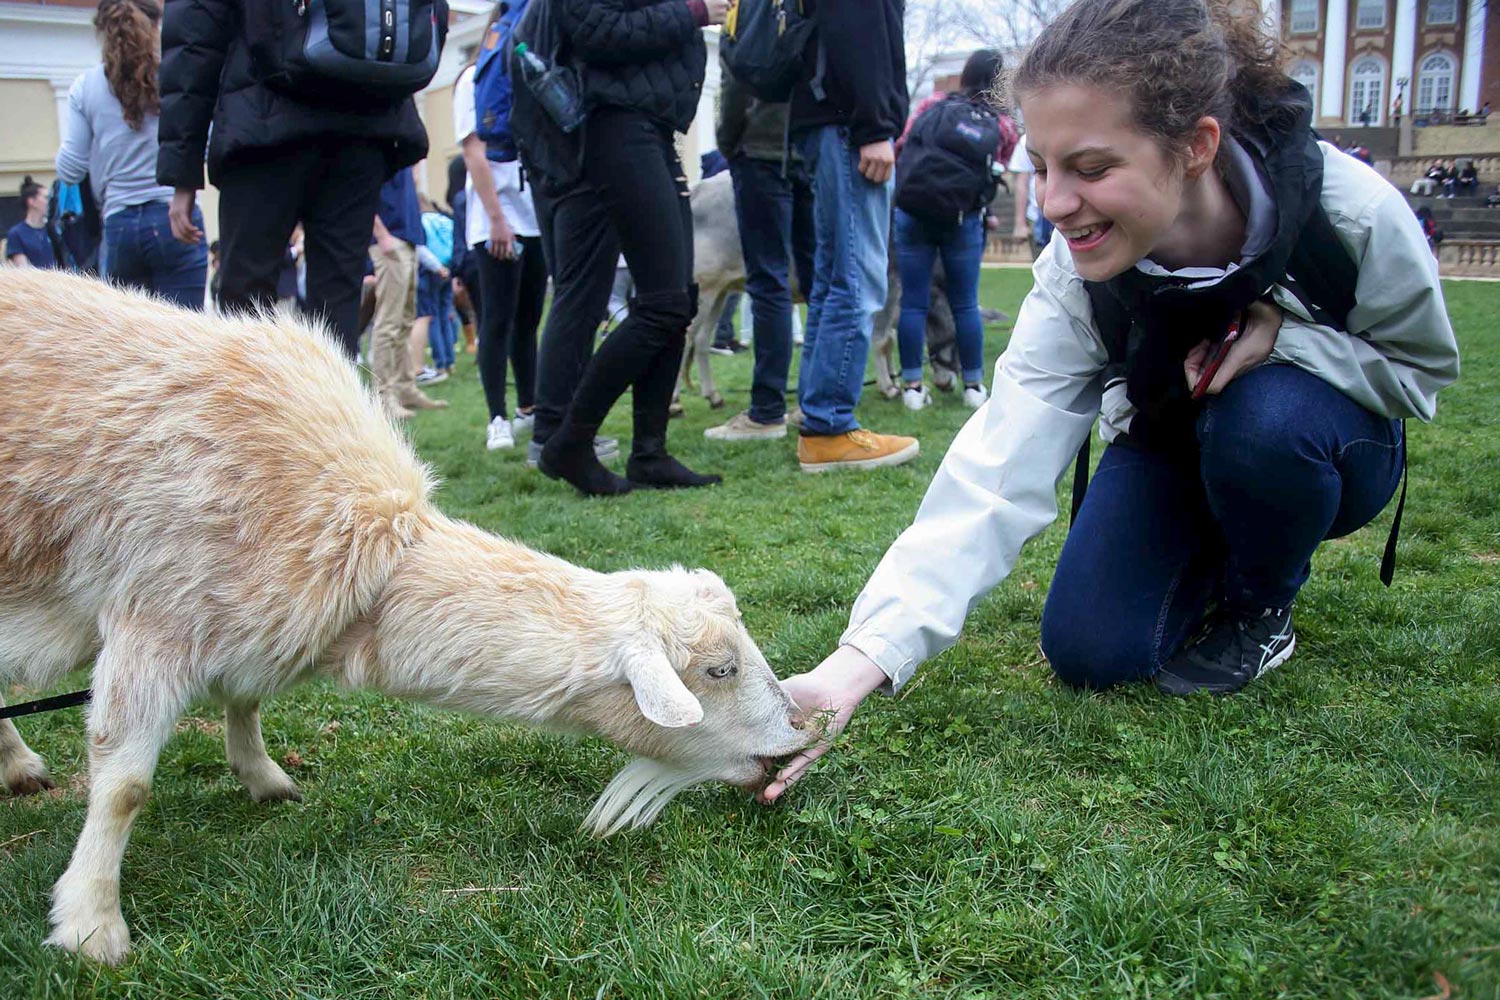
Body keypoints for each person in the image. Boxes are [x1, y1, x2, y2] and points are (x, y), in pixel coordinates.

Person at [761, 0, 1459, 803]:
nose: (1054, 203)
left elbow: (1419, 374)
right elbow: (997, 467)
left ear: (1196, 148)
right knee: (1091, 650)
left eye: (1090, 169)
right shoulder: (1073, 271)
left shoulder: (1352, 212)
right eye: (1043, 166)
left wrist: (1288, 340)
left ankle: (1260, 607)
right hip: (1171, 443)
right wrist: (857, 664)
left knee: (1263, 424)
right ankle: (1215, 539)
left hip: (1319, 445)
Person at [157, 0, 438, 358]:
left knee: (244, 309)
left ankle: (248, 412)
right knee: (336, 314)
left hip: (265, 121)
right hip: (363, 120)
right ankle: (331, 413)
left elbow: (194, 33)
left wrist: (183, 171)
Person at [536, 0, 731, 495]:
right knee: (663, 305)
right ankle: (569, 442)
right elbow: (595, 29)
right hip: (618, 127)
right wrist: (693, 11)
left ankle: (650, 452)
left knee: (677, 299)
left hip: (651, 128)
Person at [785, 0, 919, 473]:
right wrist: (873, 126)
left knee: (833, 280)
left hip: (831, 123)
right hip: (848, 127)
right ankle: (829, 426)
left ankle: (819, 415)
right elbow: (857, 28)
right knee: (856, 282)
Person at [891, 49, 1020, 413]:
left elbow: (902, 147)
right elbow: (995, 172)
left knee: (913, 302)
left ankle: (913, 388)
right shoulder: (1003, 125)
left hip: (913, 213)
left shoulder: (933, 104)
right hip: (962, 221)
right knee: (965, 303)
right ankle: (974, 385)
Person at [703, 53, 815, 441]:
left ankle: (766, 412)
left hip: (761, 149)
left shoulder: (750, 10)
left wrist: (729, 143)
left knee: (769, 283)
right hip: (809, 147)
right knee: (818, 285)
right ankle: (814, 403)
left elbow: (736, 76)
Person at [454, 26, 546, 453]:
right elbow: (473, 152)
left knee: (528, 319)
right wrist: (496, 220)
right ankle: (497, 417)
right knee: (496, 321)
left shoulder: (525, 76)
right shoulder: (471, 81)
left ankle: (530, 406)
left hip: (533, 218)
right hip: (495, 221)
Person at [370, 166, 447, 418]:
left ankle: (405, 388)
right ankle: (382, 396)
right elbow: (362, 190)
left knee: (404, 322)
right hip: (390, 241)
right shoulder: (377, 139)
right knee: (389, 323)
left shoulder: (399, 147)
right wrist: (381, 234)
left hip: (408, 239)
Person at [1008, 135, 1055, 258]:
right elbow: (1021, 183)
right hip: (1037, 217)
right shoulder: (1027, 140)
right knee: (1043, 269)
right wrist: (1020, 223)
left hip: (1067, 213)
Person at [6, 178, 57, 268]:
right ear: (32, 201)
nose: (50, 201)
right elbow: (23, 269)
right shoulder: (17, 233)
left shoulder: (54, 229)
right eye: (46, 198)